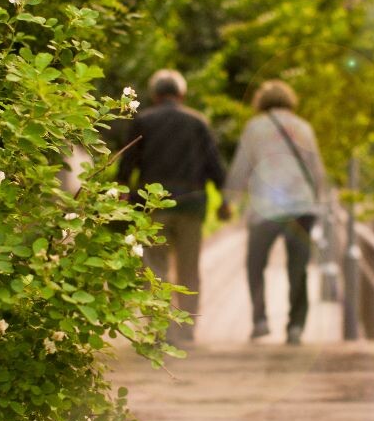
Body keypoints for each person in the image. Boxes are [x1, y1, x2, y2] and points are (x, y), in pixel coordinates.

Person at [118, 69, 227, 341]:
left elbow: (126, 164)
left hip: (153, 206)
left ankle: (159, 328)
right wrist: (223, 199)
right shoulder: (198, 122)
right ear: (182, 94)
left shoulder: (143, 121)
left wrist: (123, 194)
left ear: (155, 95)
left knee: (155, 268)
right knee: (189, 268)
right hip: (191, 205)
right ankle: (187, 329)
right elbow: (215, 166)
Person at [223, 79, 326, 345]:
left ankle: (260, 321)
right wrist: (321, 201)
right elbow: (317, 170)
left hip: (264, 208)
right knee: (298, 268)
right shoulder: (304, 128)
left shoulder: (254, 128)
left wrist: (228, 201)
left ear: (261, 101)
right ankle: (296, 327)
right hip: (302, 207)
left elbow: (240, 168)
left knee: (255, 264)